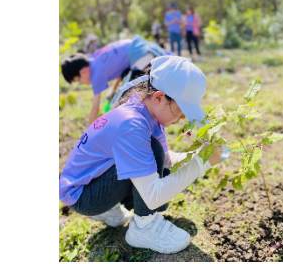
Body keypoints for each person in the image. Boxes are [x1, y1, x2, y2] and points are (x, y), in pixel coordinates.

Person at [59, 56, 225, 254]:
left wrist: (199, 154)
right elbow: (153, 196)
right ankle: (145, 227)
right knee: (152, 154)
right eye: (181, 112)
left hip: (92, 182)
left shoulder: (146, 113)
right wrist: (201, 163)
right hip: (84, 196)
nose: (181, 119)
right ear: (159, 97)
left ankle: (110, 209)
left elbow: (165, 159)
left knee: (154, 154)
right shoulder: (132, 125)